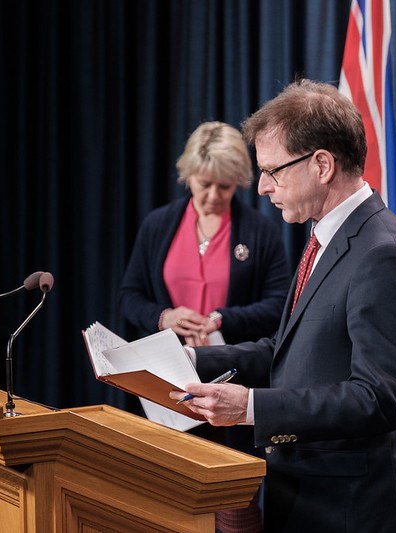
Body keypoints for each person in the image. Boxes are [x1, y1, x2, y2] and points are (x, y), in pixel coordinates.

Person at [170, 80, 396, 532]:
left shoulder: (382, 253)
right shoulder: (322, 236)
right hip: (306, 496)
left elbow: (378, 399)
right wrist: (186, 359)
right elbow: (287, 349)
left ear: (322, 165)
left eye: (273, 172)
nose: (265, 188)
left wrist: (251, 407)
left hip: (354, 510)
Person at [119, 120, 290, 532]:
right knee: (165, 503)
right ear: (188, 176)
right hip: (165, 386)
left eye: (225, 187)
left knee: (233, 510)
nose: (214, 196)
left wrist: (222, 319)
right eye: (204, 184)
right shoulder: (159, 225)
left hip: (229, 385)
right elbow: (129, 297)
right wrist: (165, 317)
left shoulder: (261, 232)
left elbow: (281, 305)